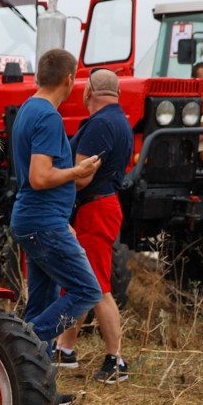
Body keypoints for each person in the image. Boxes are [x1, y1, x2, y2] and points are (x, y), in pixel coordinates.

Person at [10, 49, 101, 405]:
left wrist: (73, 181)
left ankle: (38, 393)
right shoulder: (47, 116)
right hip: (43, 222)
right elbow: (40, 176)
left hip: (35, 220)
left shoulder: (28, 109)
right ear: (70, 79)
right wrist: (77, 172)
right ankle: (27, 341)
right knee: (87, 291)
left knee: (41, 302)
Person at [54, 68, 135, 384]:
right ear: (116, 93)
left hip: (96, 208)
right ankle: (66, 350)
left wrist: (48, 185)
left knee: (97, 287)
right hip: (104, 205)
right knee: (81, 281)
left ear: (87, 92)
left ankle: (116, 361)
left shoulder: (99, 124)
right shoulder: (121, 121)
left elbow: (82, 175)